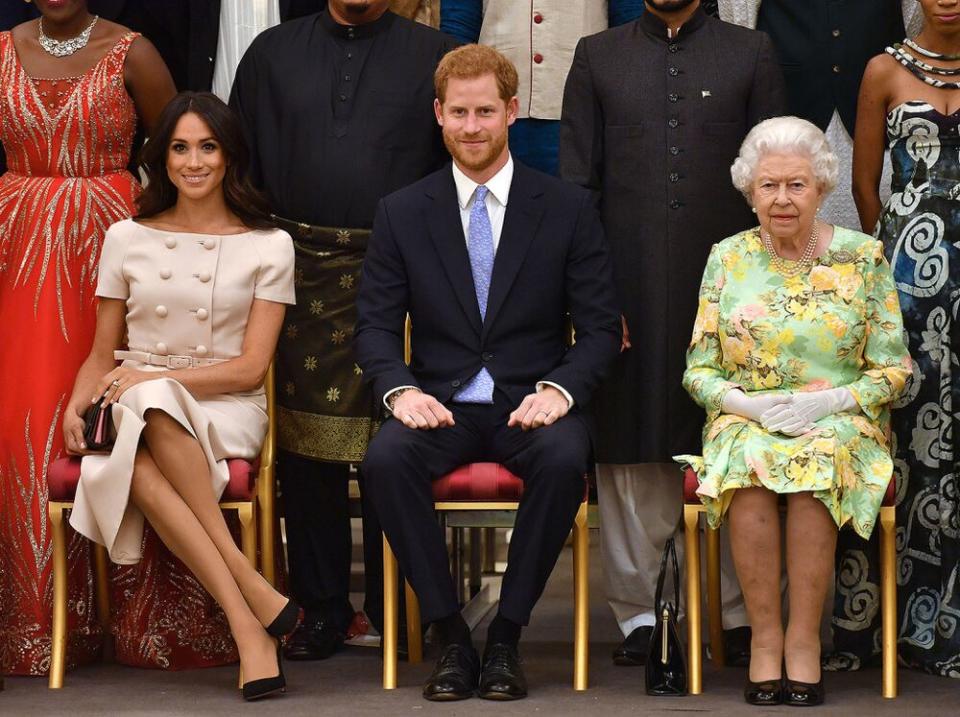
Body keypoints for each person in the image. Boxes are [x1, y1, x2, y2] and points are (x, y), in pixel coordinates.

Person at [355, 44, 621, 701]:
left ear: (510, 111)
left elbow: (599, 330)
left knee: (564, 457)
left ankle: (505, 634)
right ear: (439, 115)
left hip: (531, 402)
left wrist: (560, 390)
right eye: (459, 113)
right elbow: (375, 329)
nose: (472, 127)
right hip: (438, 402)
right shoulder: (402, 211)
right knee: (385, 460)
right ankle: (451, 633)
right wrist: (399, 389)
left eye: (485, 112)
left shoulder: (564, 208)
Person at [559, 0, 786, 667]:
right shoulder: (599, 56)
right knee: (632, 446)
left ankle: (742, 613)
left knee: (734, 444)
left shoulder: (752, 53)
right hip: (624, 285)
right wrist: (595, 301)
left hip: (732, 291)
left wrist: (766, 298)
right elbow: (578, 188)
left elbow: (772, 183)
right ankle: (638, 614)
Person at [229, 0, 457, 660]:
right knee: (305, 451)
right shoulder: (273, 53)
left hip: (405, 274)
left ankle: (401, 604)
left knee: (400, 440)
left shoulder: (433, 55)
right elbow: (241, 166)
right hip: (295, 273)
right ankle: (322, 606)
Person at [64, 91, 298, 700]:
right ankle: (251, 609)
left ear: (229, 157)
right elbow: (102, 351)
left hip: (225, 406)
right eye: (179, 147)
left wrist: (150, 381)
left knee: (146, 417)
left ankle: (249, 610)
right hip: (135, 397)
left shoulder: (269, 244)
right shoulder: (126, 236)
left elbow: (250, 369)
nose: (193, 162)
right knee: (139, 430)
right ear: (162, 158)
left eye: (208, 147)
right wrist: (74, 403)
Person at [676, 116, 911, 705]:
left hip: (839, 419)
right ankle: (765, 640)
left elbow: (894, 368)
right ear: (749, 190)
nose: (782, 199)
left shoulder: (863, 258)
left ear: (823, 187)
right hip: (747, 415)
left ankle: (805, 640)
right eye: (769, 185)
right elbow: (698, 369)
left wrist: (832, 400)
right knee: (752, 468)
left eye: (797, 185)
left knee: (816, 467)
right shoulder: (726, 258)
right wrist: (746, 405)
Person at [0, 0, 174, 676]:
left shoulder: (134, 52)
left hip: (112, 242)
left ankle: (132, 612)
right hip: (18, 246)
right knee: (25, 418)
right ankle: (40, 617)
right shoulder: (4, 48)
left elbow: (177, 146)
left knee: (113, 409)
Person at [852, 0, 960, 679]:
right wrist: (891, 266)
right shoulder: (883, 70)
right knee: (908, 444)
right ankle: (901, 623)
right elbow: (867, 187)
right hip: (908, 286)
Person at [439, 0, 645, 175]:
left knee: (575, 209)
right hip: (492, 111)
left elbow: (630, 26)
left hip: (586, 108)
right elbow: (458, 27)